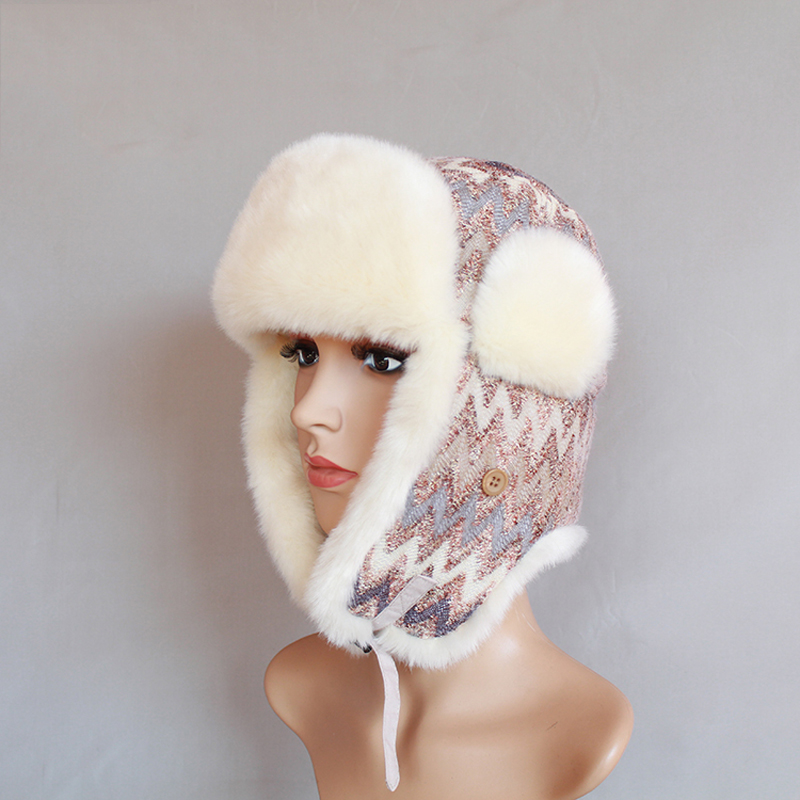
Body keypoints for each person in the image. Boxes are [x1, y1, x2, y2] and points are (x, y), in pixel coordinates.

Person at [213, 134, 633, 799]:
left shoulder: (583, 734)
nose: (308, 410)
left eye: (382, 359)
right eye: (303, 353)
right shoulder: (299, 682)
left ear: (498, 416)